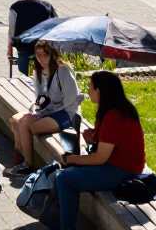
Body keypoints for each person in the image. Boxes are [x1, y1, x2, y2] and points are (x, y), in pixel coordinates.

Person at [56, 71, 146, 230]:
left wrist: (72, 159)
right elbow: (107, 143)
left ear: (100, 91)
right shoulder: (111, 110)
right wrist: (93, 138)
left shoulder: (115, 116)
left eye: (91, 87)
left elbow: (100, 159)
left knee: (64, 178)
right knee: (64, 173)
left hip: (123, 171)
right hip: (116, 165)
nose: (89, 91)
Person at [7, 40, 81, 176]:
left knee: (25, 125)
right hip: (47, 112)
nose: (41, 58)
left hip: (66, 114)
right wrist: (36, 107)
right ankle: (19, 156)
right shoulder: (39, 71)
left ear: (52, 54)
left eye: (45, 54)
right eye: (38, 54)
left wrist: (46, 109)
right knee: (14, 120)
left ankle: (28, 164)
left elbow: (72, 100)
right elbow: (41, 97)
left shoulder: (63, 71)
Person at [8, 0, 57, 76]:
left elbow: (11, 28)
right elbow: (55, 25)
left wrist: (11, 44)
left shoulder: (15, 7)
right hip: (42, 44)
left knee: (24, 69)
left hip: (23, 45)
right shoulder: (47, 6)